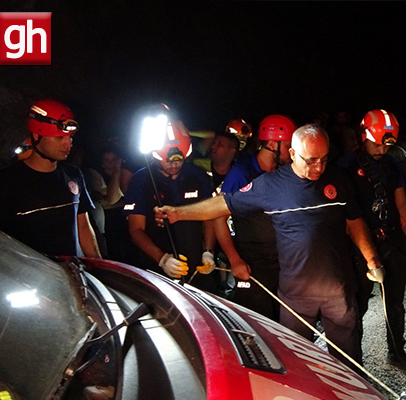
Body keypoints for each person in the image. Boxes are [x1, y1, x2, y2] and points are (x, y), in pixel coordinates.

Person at [154, 124, 383, 371]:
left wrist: (372, 260)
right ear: (293, 154)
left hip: (338, 292)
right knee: (297, 365)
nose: (319, 167)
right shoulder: (270, 185)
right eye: (311, 160)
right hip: (295, 298)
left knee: (349, 364)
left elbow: (354, 222)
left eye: (324, 159)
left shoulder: (338, 178)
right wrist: (178, 213)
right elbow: (223, 205)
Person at [339, 109, 406, 374]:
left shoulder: (393, 165)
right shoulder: (345, 168)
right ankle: (353, 361)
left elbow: (402, 203)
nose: (381, 150)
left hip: (391, 241)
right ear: (363, 136)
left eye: (386, 145)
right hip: (359, 247)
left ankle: (397, 352)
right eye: (376, 144)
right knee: (357, 305)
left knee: (395, 302)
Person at [0, 99, 101, 258]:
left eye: (70, 137)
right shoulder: (7, 181)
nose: (68, 144)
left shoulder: (73, 174)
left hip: (72, 275)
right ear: (37, 135)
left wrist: (98, 268)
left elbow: (83, 227)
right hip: (30, 278)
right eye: (60, 138)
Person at [214, 114, 297, 321]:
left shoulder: (284, 171)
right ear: (272, 143)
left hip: (282, 258)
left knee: (286, 319)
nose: (292, 151)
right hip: (252, 260)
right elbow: (218, 218)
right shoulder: (241, 173)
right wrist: (234, 260)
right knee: (258, 320)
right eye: (288, 145)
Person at [124, 109, 217, 292]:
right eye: (168, 161)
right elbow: (135, 229)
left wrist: (208, 252)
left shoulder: (198, 176)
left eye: (179, 160)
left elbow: (210, 217)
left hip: (196, 267)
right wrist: (162, 259)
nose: (174, 164)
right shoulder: (142, 180)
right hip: (157, 270)